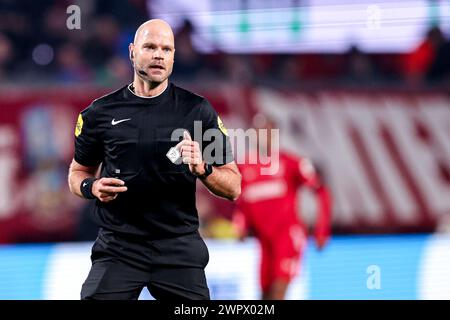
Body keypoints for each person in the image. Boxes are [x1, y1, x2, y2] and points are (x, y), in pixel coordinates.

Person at [67, 19, 241, 300]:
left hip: (178, 248)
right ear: (132, 51)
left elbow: (233, 187)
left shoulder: (197, 110)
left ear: (173, 57)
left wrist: (204, 168)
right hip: (119, 247)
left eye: (166, 49)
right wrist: (92, 187)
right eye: (150, 47)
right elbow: (77, 172)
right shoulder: (99, 113)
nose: (159, 54)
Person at [232, 114, 331, 300]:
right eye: (260, 132)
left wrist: (322, 230)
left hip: (287, 236)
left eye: (269, 131)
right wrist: (241, 225)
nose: (264, 136)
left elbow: (322, 192)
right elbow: (241, 201)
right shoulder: (244, 167)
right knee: (264, 295)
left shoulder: (291, 162)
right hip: (264, 241)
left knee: (278, 293)